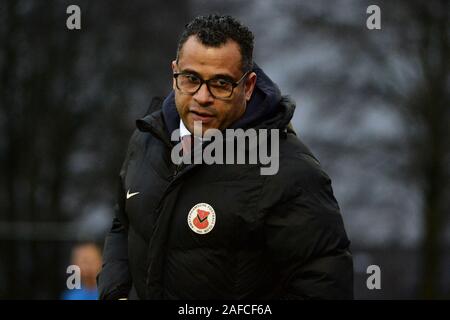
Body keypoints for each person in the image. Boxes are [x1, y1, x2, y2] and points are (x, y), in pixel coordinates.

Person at [97, 14, 353, 300]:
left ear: (248, 86)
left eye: (220, 83)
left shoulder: (288, 169)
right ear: (174, 74)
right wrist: (114, 293)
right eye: (191, 79)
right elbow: (122, 225)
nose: (202, 96)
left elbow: (324, 286)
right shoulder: (146, 140)